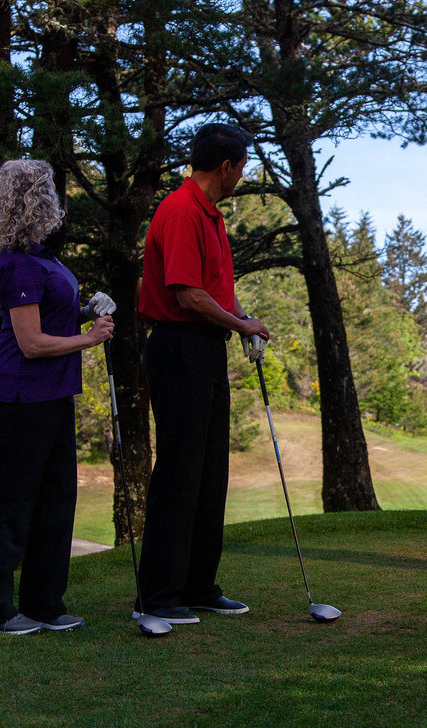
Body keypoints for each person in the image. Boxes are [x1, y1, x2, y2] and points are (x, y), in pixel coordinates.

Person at [0, 159, 116, 634]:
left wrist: (85, 306)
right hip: (20, 396)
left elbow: (51, 313)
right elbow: (32, 343)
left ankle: (43, 604)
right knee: (9, 504)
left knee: (56, 500)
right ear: (36, 198)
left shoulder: (42, 257)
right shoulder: (16, 263)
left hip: (54, 395)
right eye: (49, 192)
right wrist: (89, 339)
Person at [135, 122, 269, 629]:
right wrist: (240, 324)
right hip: (178, 348)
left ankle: (197, 585)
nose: (243, 175)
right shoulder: (181, 210)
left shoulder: (211, 216)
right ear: (227, 167)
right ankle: (157, 594)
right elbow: (187, 295)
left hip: (207, 350)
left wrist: (242, 324)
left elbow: (217, 290)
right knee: (180, 470)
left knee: (211, 473)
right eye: (243, 166)